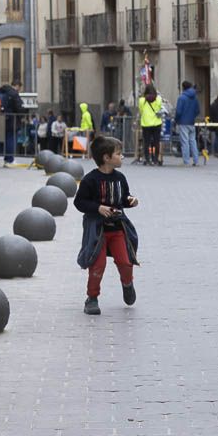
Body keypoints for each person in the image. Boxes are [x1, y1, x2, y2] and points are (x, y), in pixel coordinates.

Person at [74, 135, 140, 316]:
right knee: (98, 264)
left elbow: (123, 197)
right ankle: (92, 298)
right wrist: (97, 208)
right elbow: (79, 203)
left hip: (118, 228)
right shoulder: (90, 180)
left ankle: (127, 284)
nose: (122, 157)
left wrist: (130, 200)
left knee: (125, 262)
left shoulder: (120, 178)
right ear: (106, 158)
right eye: (119, 154)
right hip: (97, 229)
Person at [174, 81, 200, 166]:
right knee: (193, 141)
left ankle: (186, 161)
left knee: (185, 142)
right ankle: (196, 160)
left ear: (183, 87)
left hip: (183, 122)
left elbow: (178, 111)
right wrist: (192, 116)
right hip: (191, 122)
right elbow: (197, 111)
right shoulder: (195, 97)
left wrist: (176, 120)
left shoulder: (181, 98)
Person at [137, 84, 165, 166]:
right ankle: (155, 159)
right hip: (157, 123)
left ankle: (147, 159)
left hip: (146, 123)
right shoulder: (158, 99)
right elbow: (160, 108)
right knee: (156, 142)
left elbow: (141, 110)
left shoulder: (142, 100)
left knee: (146, 142)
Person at [0, 81, 24, 165]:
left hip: (2, 118)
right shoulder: (13, 94)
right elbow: (18, 107)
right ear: (17, 86)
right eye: (19, 88)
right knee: (11, 139)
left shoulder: (1, 93)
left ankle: (6, 158)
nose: (19, 90)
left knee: (6, 138)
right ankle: (9, 159)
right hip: (12, 120)